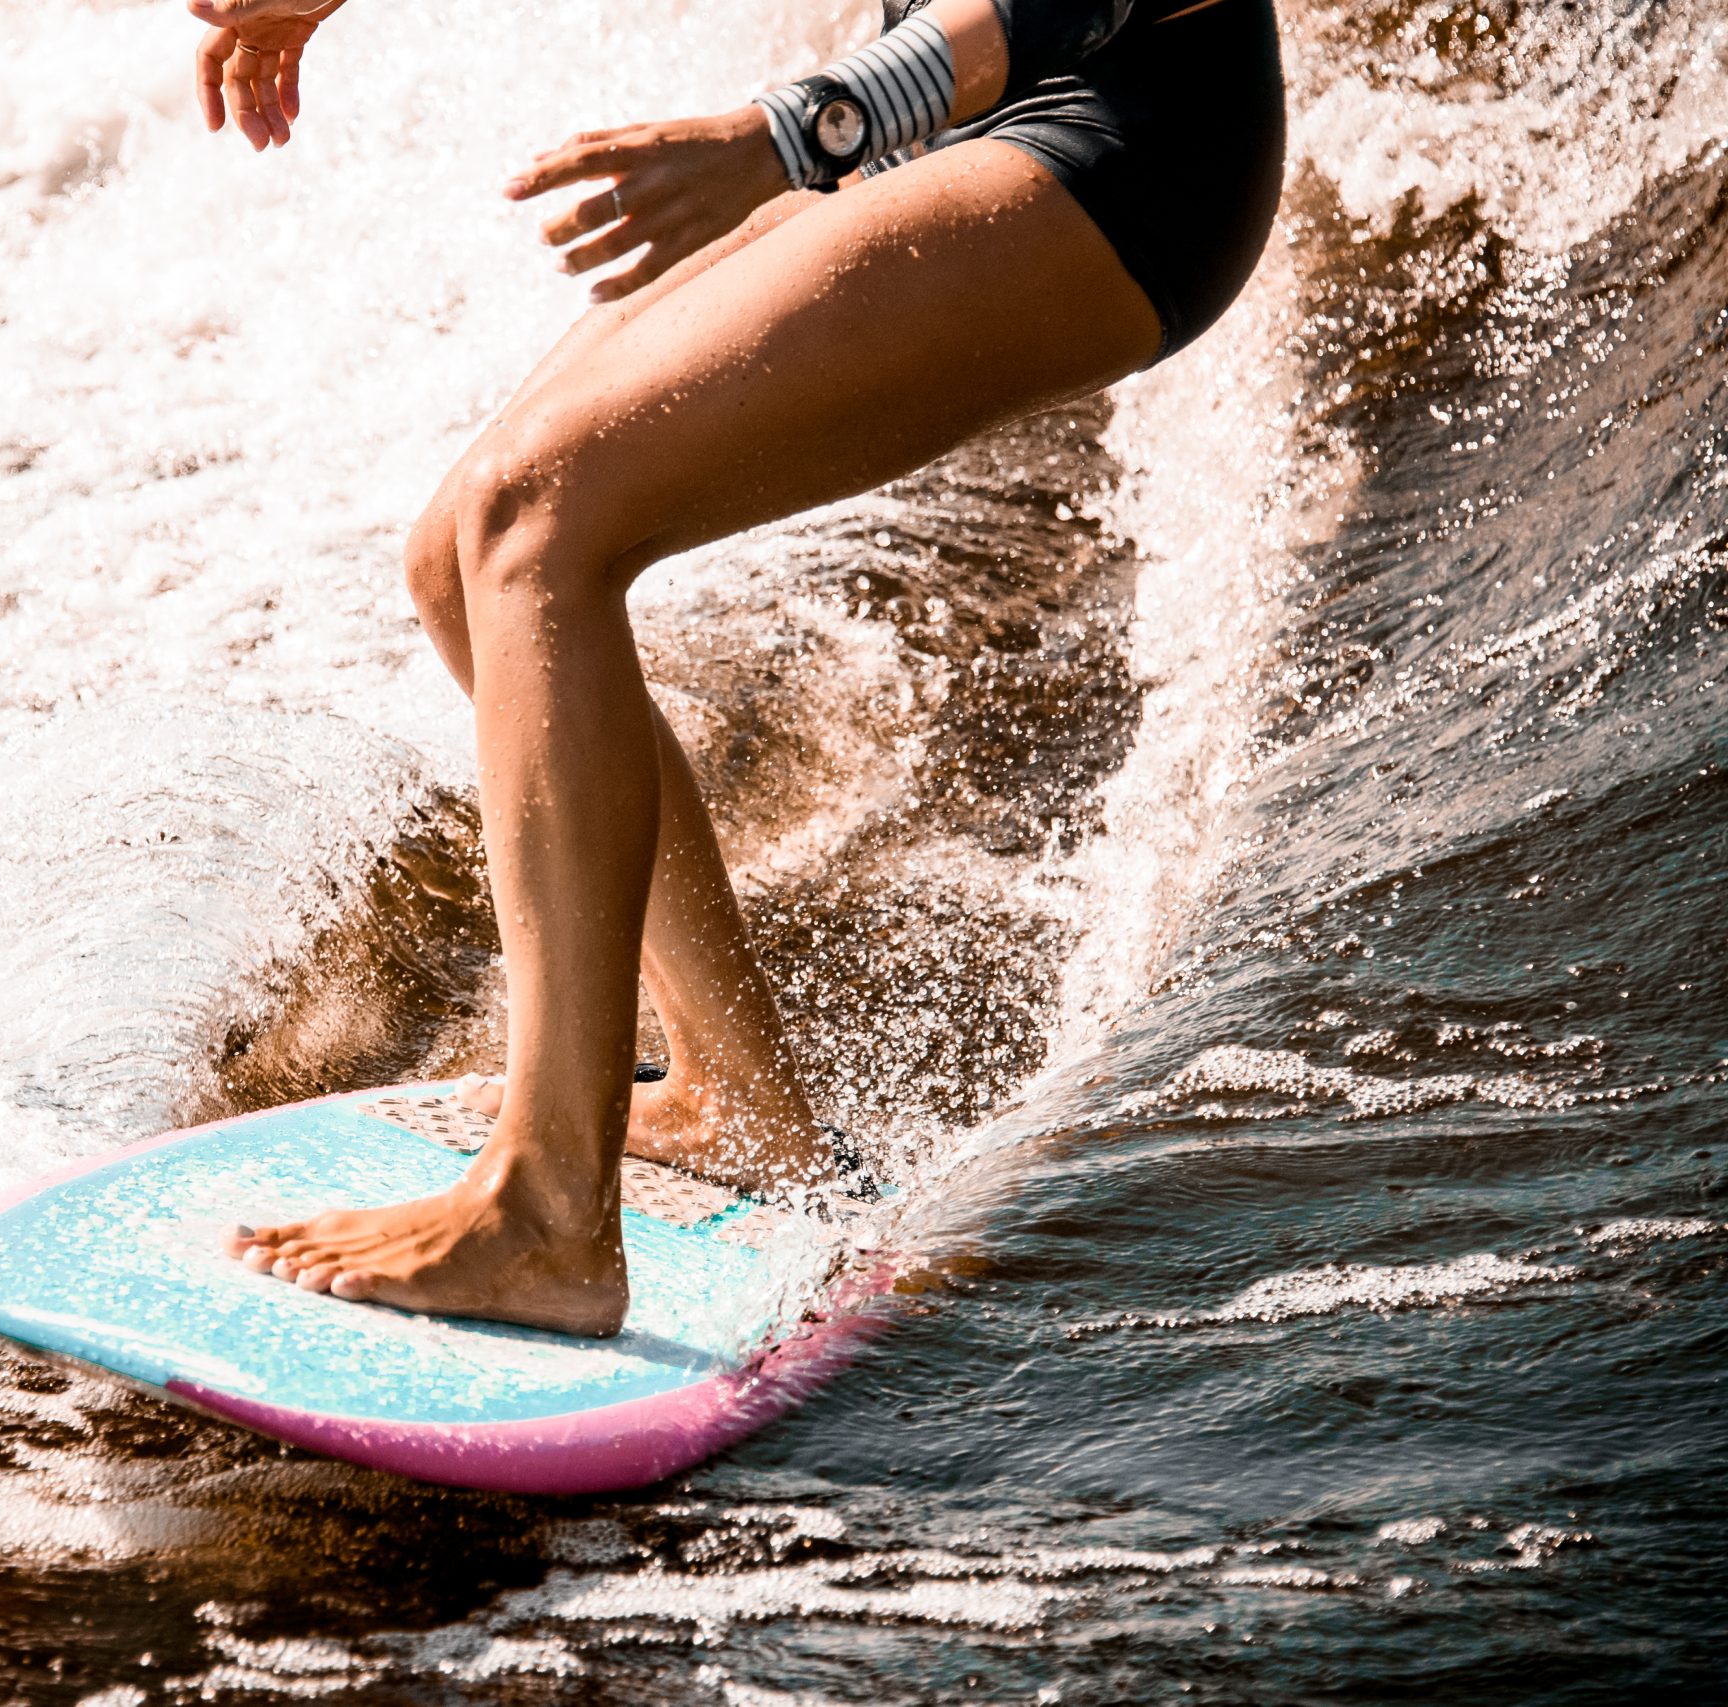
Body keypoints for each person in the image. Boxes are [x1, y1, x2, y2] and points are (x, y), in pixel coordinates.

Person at [204, 0, 1284, 1334]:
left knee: (539, 520)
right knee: (462, 557)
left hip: (1124, 150)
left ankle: (548, 1213)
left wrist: (798, 131)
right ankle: (737, 1102)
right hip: (947, 136)